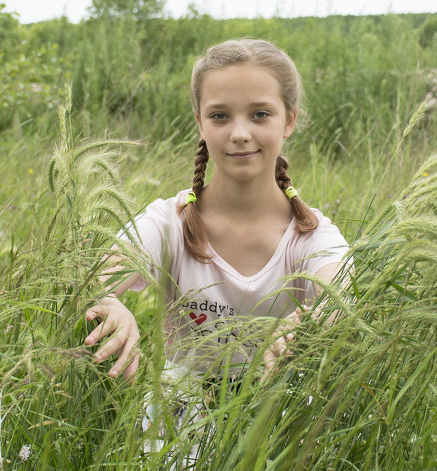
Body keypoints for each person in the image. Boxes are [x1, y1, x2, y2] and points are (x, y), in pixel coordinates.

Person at [83, 38, 350, 383]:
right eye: (220, 116)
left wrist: (315, 319)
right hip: (179, 419)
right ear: (200, 122)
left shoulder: (311, 235)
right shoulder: (169, 223)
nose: (239, 133)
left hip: (277, 419)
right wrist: (108, 302)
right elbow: (90, 279)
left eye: (260, 114)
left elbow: (342, 295)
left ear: (289, 120)